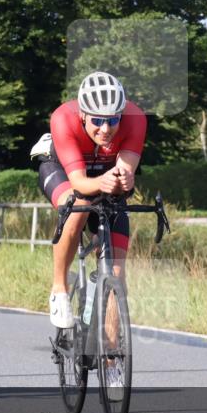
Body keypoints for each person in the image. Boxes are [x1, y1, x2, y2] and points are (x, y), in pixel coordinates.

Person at [35, 71, 146, 341]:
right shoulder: (63, 118)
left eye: (113, 120)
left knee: (116, 272)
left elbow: (123, 175)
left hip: (103, 174)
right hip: (63, 171)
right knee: (77, 205)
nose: (105, 129)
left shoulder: (135, 118)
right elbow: (80, 183)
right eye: (97, 120)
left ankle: (111, 355)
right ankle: (59, 288)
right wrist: (103, 182)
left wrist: (125, 179)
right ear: (83, 115)